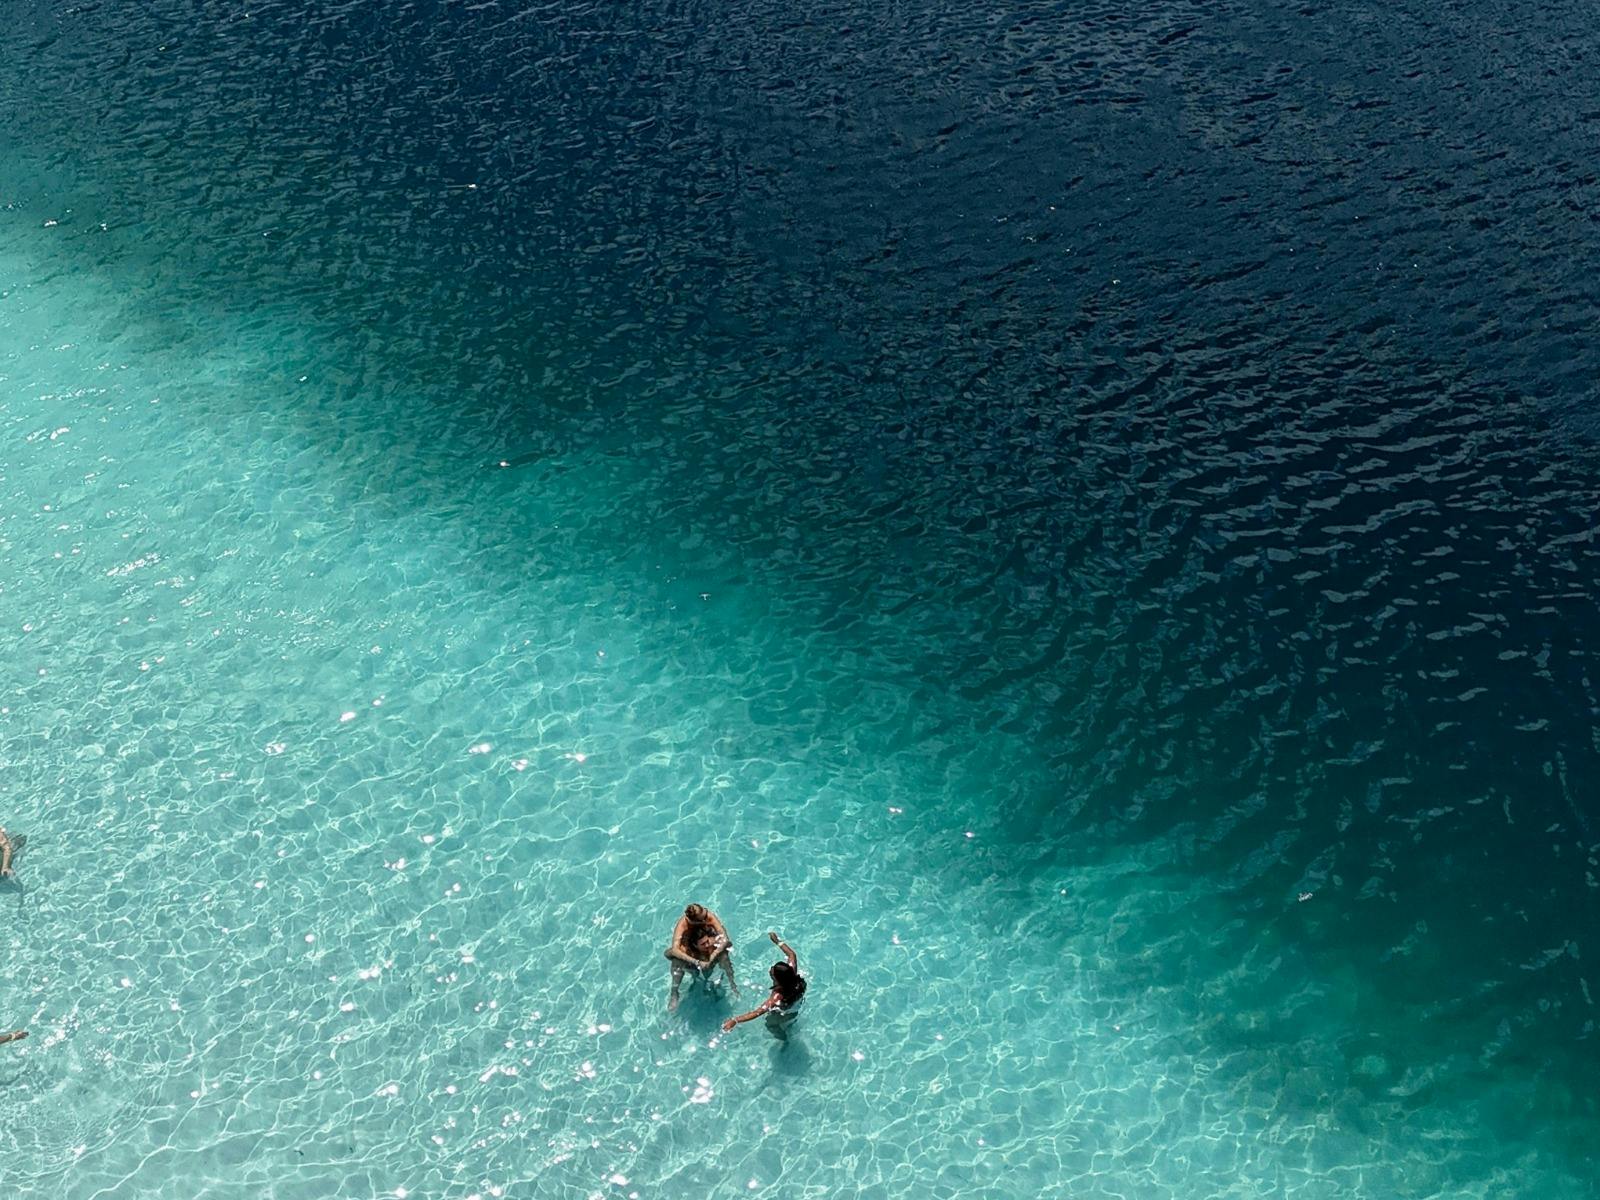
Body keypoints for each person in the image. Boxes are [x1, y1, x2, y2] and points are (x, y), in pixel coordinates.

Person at [721, 931, 805, 1039]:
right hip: (797, 1002)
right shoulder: (792, 973)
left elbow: (757, 1012)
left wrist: (735, 1020)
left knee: (769, 1024)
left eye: (773, 972)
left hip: (787, 1011)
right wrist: (777, 941)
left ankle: (784, 1039)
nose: (771, 969)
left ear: (778, 981)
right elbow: (792, 954)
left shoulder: (777, 996)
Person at [665, 903, 738, 1012]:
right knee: (676, 960)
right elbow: (673, 951)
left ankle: (732, 984)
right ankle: (675, 992)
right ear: (694, 921)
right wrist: (697, 962)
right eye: (703, 918)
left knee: (724, 952)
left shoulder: (708, 916)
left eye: (705, 911)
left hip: (705, 945)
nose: (707, 917)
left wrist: (712, 956)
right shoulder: (683, 925)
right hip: (693, 949)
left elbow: (725, 939)